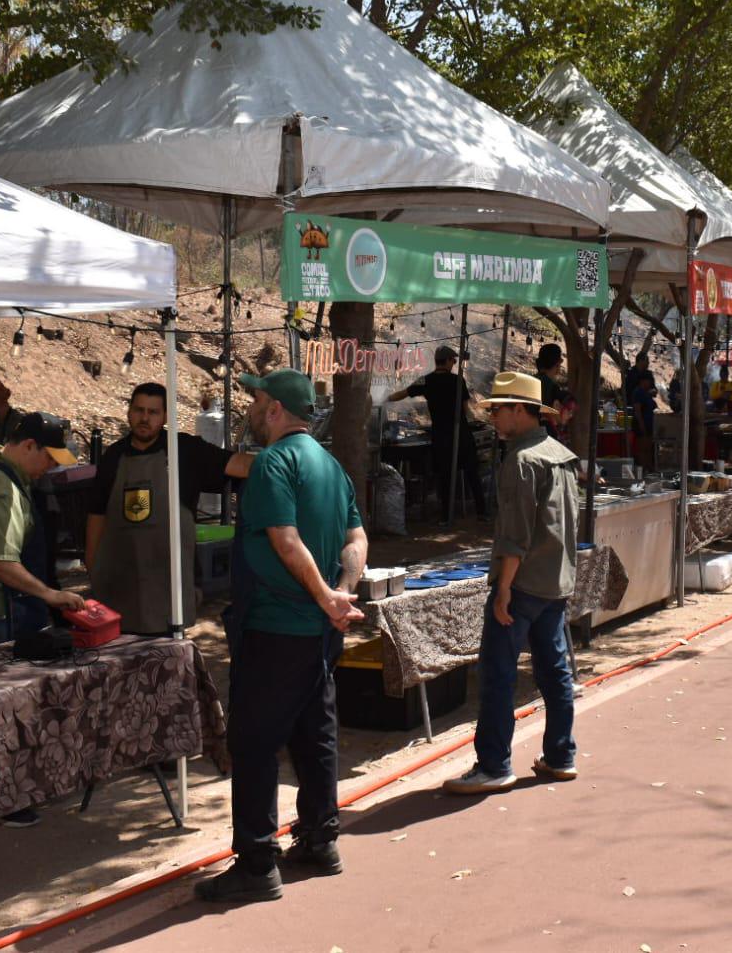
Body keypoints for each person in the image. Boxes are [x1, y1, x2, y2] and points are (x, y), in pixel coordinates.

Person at [195, 369, 368, 906]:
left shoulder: (273, 462)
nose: (249, 407)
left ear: (273, 409)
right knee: (313, 734)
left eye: (255, 399)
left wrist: (325, 595)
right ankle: (320, 839)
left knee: (252, 743)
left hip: (277, 626)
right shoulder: (332, 466)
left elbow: (284, 539)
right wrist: (341, 591)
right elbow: (357, 537)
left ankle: (256, 862)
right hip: (319, 631)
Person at [0, 411, 87, 827]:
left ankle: (12, 790)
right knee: (0, 709)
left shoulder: (12, 478)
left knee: (13, 705)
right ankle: (0, 798)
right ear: (28, 446)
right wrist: (50, 595)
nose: (51, 467)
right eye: (48, 457)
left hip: (10, 606)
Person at [444, 372, 579, 794]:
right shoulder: (560, 454)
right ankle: (560, 755)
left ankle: (494, 764)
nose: (494, 418)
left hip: (521, 586)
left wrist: (503, 587)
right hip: (554, 582)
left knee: (499, 674)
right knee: (554, 671)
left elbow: (515, 535)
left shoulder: (521, 461)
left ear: (521, 411)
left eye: (499, 410)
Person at [85, 382, 253, 636]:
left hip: (168, 592)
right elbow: (96, 515)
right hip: (119, 588)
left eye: (153, 412)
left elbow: (240, 465)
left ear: (165, 416)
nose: (144, 418)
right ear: (129, 412)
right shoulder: (113, 457)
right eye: (139, 410)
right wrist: (92, 566)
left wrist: (289, 455)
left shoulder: (185, 451)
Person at [388, 346, 487, 520]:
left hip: (440, 434)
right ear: (448, 361)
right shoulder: (458, 381)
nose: (454, 363)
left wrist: (383, 399)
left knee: (445, 475)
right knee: (472, 472)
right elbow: (465, 409)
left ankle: (445, 516)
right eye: (453, 361)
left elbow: (402, 394)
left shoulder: (425, 380)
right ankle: (482, 512)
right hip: (460, 432)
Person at [629, 370, 659, 471]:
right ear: (643, 381)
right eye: (648, 381)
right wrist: (642, 426)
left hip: (649, 425)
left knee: (648, 449)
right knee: (642, 449)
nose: (649, 383)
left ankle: (649, 467)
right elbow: (637, 410)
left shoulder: (646, 393)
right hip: (641, 425)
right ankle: (643, 469)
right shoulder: (638, 392)